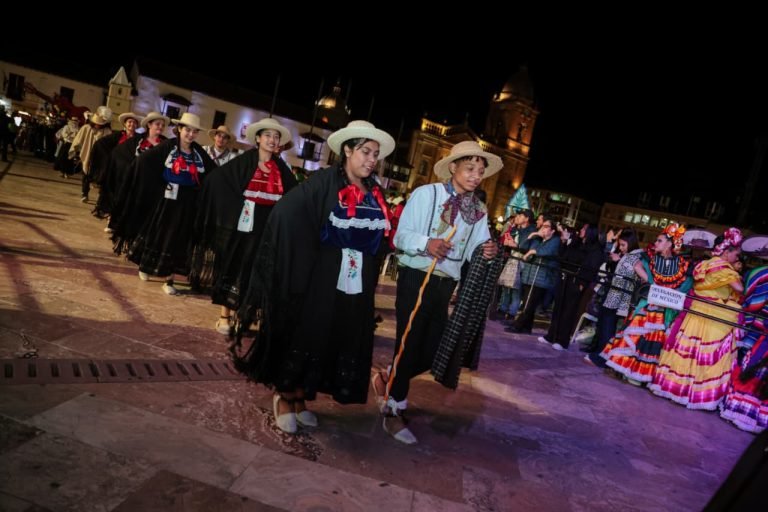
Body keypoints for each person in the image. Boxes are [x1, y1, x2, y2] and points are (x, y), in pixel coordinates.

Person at [232, 120, 395, 434]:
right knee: (308, 333)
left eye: (376, 154)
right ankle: (284, 395)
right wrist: (305, 257)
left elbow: (380, 235)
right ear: (347, 150)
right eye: (365, 151)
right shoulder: (322, 182)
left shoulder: (374, 191)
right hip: (319, 279)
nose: (372, 159)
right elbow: (285, 215)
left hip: (352, 283)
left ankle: (302, 398)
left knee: (330, 338)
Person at [372, 140, 501, 444]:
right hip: (417, 276)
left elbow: (475, 250)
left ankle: (389, 376)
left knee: (437, 348)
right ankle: (393, 409)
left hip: (446, 284)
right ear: (453, 167)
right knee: (410, 340)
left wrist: (488, 250)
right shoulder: (425, 194)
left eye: (480, 171)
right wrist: (427, 244)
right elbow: (400, 236)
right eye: (470, 168)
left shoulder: (478, 211)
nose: (475, 176)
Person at [195, 117, 297, 335]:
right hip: (242, 226)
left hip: (267, 229)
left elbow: (295, 197)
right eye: (268, 135)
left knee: (258, 270)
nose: (272, 140)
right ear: (258, 139)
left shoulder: (282, 169)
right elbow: (217, 181)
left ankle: (246, 315)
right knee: (235, 264)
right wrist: (235, 208)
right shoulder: (244, 161)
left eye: (276, 137)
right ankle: (225, 316)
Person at [116, 113, 216, 294]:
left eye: (194, 132)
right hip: (167, 200)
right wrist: (157, 185)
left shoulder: (199, 152)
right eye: (187, 130)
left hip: (187, 203)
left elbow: (213, 173)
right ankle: (145, 267)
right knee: (158, 234)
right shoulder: (168, 146)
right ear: (179, 129)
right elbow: (143, 161)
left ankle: (169, 280)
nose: (190, 135)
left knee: (178, 239)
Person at [650, 228, 743, 409]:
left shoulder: (703, 265)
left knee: (687, 354)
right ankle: (698, 395)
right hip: (713, 317)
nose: (737, 258)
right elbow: (739, 288)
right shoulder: (723, 268)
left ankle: (675, 388)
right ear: (726, 252)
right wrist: (735, 276)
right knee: (706, 357)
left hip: (695, 314)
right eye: (736, 254)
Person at [601, 224, 692, 385]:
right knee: (634, 336)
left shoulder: (682, 264)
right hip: (648, 305)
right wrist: (649, 280)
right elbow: (642, 274)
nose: (655, 243)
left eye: (660, 240)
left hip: (663, 310)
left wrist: (666, 295)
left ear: (670, 244)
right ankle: (622, 369)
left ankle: (638, 375)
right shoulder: (649, 258)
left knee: (650, 343)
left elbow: (684, 286)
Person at [720, 265, 768, 433]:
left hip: (763, 337)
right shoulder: (762, 273)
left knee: (756, 366)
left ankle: (742, 411)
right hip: (763, 337)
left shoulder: (760, 272)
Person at [69, 107, 113, 202]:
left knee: (99, 176)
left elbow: (110, 145)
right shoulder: (86, 128)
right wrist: (75, 150)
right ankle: (84, 194)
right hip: (88, 154)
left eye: (100, 123)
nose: (98, 124)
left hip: (100, 158)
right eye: (97, 122)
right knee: (86, 175)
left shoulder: (107, 131)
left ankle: (100, 196)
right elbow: (78, 139)